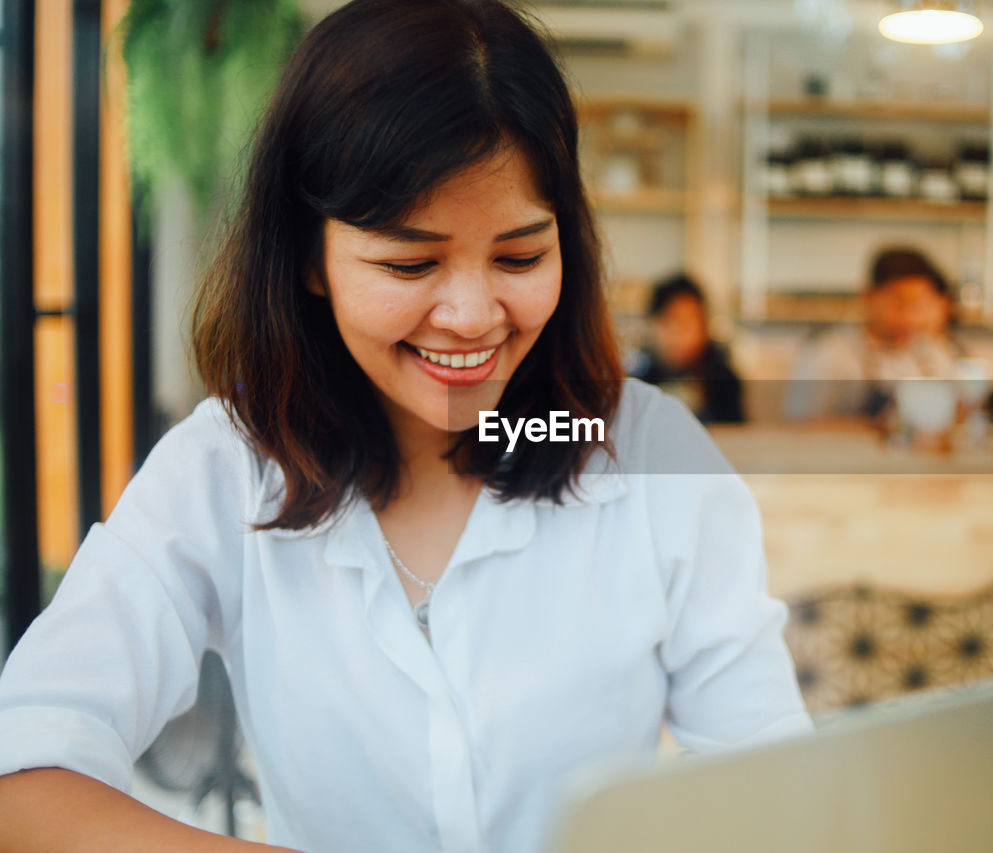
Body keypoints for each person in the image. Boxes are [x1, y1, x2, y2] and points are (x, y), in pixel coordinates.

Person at [0, 3, 811, 852]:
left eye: (521, 256)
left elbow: (775, 796)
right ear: (310, 258)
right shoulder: (225, 466)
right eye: (409, 263)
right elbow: (27, 778)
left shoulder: (651, 454)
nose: (470, 315)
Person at [784, 247, 963, 426]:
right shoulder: (828, 352)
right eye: (900, 303)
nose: (910, 317)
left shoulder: (935, 352)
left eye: (919, 305)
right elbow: (799, 425)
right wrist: (872, 426)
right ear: (869, 297)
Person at [629, 273, 745, 424]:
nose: (678, 334)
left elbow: (737, 435)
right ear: (651, 324)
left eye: (687, 323)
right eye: (669, 321)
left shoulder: (724, 381)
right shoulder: (638, 381)